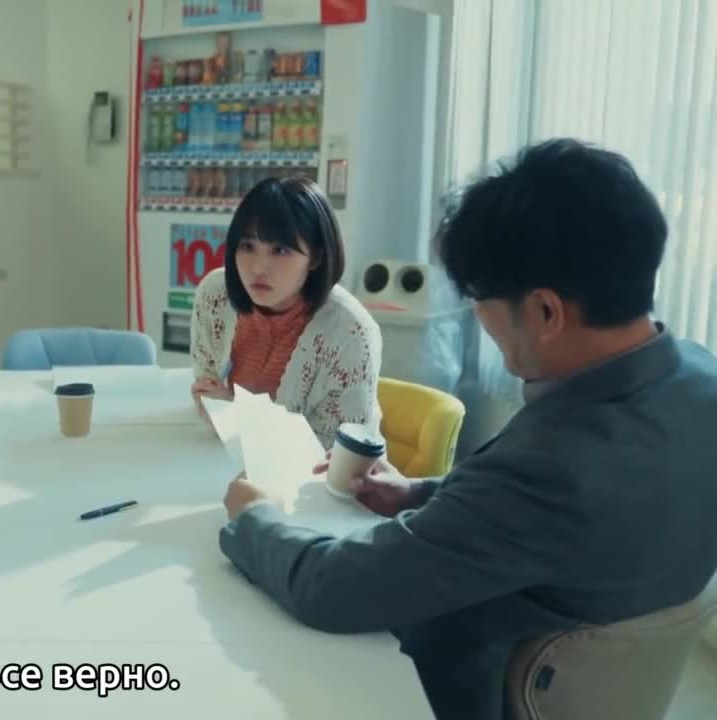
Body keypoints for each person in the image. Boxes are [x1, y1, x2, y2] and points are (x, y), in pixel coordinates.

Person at [216, 139, 717, 719]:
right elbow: (548, 523)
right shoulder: (699, 381)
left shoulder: (551, 465)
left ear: (546, 312)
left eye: (480, 298)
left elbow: (334, 590)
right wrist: (421, 494)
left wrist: (256, 519)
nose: (479, 317)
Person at [189, 176, 382, 449]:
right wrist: (216, 406)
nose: (258, 268)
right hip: (226, 457)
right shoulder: (214, 295)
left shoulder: (351, 331)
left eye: (279, 250)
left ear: (316, 256)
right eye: (248, 247)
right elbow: (207, 388)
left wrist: (234, 417)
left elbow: (333, 451)